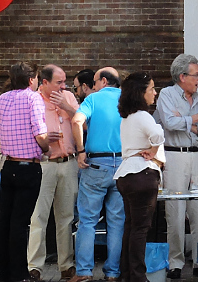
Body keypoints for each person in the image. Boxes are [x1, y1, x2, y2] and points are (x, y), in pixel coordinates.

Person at [153, 54, 198, 279]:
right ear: (182, 76)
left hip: (196, 155)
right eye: (196, 74)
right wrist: (197, 118)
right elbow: (169, 123)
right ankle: (176, 262)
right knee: (175, 210)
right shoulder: (166, 95)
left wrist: (188, 123)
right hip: (174, 156)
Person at [0, 63, 49, 282]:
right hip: (28, 166)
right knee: (20, 222)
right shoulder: (33, 98)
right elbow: (39, 131)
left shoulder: (3, 98)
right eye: (35, 77)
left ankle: (3, 273)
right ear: (30, 80)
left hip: (9, 165)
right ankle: (19, 274)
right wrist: (47, 146)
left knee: (4, 220)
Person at [69, 67, 125, 282]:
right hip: (122, 164)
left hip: (96, 164)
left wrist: (80, 151)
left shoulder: (93, 99)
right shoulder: (127, 99)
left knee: (87, 220)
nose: (92, 86)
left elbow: (76, 121)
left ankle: (84, 272)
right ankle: (112, 273)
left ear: (103, 81)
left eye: (94, 81)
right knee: (117, 222)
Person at [27, 65, 80, 281]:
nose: (63, 86)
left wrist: (66, 106)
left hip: (68, 162)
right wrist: (43, 140)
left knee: (66, 217)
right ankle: (35, 267)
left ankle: (66, 265)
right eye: (58, 82)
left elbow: (82, 122)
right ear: (44, 82)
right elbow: (27, 131)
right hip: (44, 163)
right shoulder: (33, 100)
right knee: (39, 215)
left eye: (64, 81)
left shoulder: (68, 96)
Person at [116, 72, 166, 282]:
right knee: (140, 229)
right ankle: (138, 277)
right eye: (151, 89)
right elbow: (159, 136)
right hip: (142, 174)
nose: (155, 93)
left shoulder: (127, 118)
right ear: (140, 93)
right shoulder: (143, 116)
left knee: (131, 227)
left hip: (126, 175)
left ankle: (127, 274)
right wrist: (154, 151)